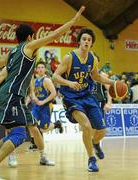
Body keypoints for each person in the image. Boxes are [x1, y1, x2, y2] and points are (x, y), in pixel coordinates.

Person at [0, 6, 85, 180]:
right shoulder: (29, 47)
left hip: (10, 94)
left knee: (20, 130)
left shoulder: (12, 51)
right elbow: (55, 35)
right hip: (13, 94)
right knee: (19, 135)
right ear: (29, 37)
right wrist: (73, 21)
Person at [53, 28, 115, 172]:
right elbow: (55, 76)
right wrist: (69, 83)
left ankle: (94, 142)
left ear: (91, 43)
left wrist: (113, 83)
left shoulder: (92, 58)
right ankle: (91, 159)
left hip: (87, 97)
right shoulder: (69, 57)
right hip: (71, 98)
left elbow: (97, 77)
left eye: (89, 40)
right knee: (86, 126)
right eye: (84, 39)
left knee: (103, 130)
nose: (86, 42)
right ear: (79, 41)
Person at [31, 61, 63, 134]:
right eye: (39, 68)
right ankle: (34, 144)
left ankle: (56, 124)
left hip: (46, 106)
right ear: (36, 69)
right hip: (36, 105)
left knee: (43, 128)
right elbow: (33, 92)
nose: (40, 69)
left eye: (42, 67)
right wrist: (31, 98)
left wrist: (43, 102)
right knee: (31, 124)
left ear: (45, 69)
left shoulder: (47, 80)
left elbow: (54, 93)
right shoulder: (35, 80)